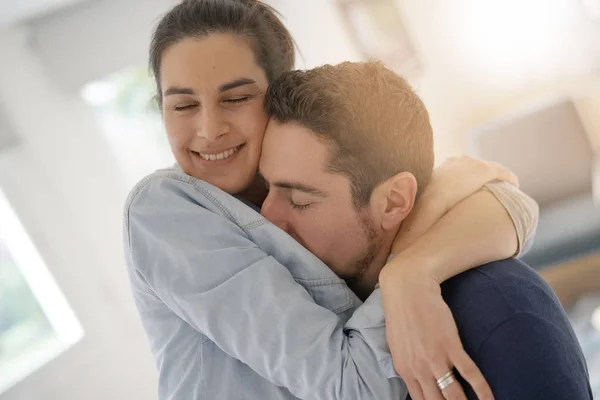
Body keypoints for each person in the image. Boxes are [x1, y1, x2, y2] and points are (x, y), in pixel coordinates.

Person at [124, 1, 538, 399]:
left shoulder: (315, 179)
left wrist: (413, 271)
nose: (209, 129)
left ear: (278, 90)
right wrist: (422, 238)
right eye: (182, 105)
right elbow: (356, 388)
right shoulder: (164, 210)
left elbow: (514, 205)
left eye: (235, 98)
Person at [258, 60, 593, 399]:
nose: (267, 216)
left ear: (392, 202)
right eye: (264, 189)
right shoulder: (308, 307)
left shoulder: (501, 312)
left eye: (299, 199)